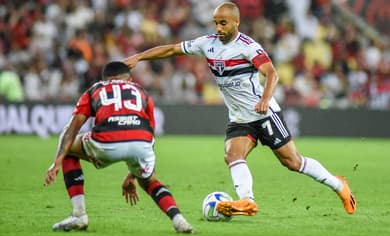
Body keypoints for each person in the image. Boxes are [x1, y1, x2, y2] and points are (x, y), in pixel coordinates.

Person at [124, 2, 356, 216]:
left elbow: (272, 73)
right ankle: (247, 200)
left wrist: (266, 98)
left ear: (236, 23)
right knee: (232, 155)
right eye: (215, 23)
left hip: (263, 113)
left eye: (223, 23)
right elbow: (172, 50)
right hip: (239, 117)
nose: (218, 27)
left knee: (293, 162)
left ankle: (339, 185)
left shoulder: (248, 46)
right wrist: (139, 57)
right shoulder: (207, 44)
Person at [44, 61, 195, 233]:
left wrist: (57, 161)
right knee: (150, 181)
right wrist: (134, 174)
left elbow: (74, 126)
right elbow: (150, 133)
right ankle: (179, 220)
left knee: (69, 148)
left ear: (105, 79)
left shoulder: (95, 89)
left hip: (106, 143)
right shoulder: (141, 92)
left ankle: (79, 214)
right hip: (141, 142)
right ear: (129, 79)